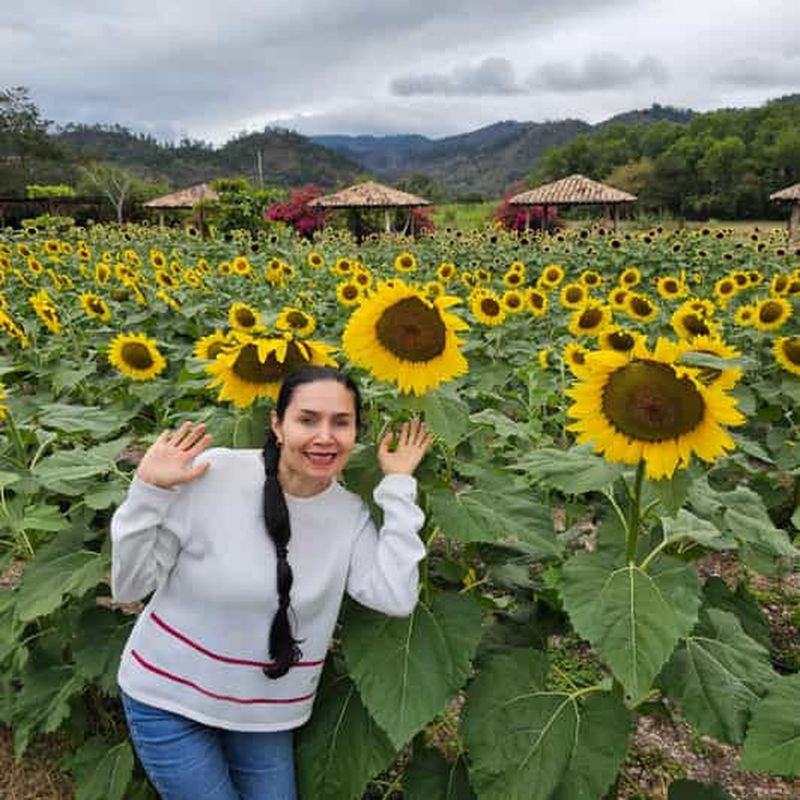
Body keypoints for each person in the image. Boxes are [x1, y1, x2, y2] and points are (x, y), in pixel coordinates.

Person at [110, 365, 433, 800]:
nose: (325, 436)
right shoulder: (214, 474)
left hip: (265, 715)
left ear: (357, 433)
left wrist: (397, 485)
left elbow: (395, 596)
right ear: (278, 424)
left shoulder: (349, 516)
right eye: (307, 420)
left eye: (341, 423)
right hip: (168, 698)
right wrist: (147, 491)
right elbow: (130, 587)